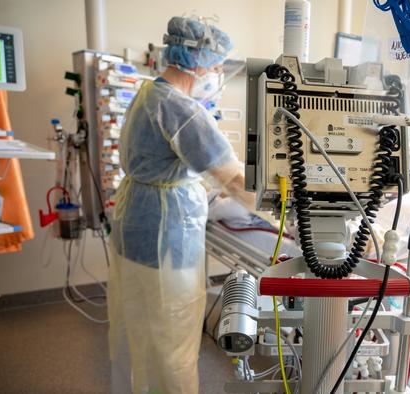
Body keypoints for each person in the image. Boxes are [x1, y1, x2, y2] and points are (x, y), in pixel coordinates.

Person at [108, 16, 254, 394]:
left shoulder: (146, 93)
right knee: (170, 334)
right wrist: (285, 209)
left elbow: (165, 162)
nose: (218, 73)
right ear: (199, 62)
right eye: (218, 65)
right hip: (165, 234)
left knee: (135, 327)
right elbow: (235, 180)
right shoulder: (183, 109)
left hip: (134, 222)